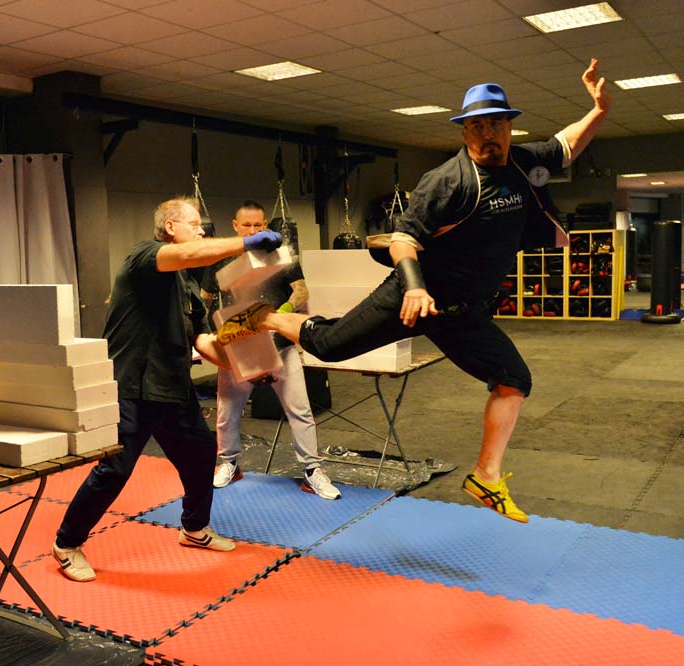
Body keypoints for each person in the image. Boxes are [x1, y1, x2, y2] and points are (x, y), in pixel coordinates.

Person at [217, 58, 612, 524]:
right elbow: (404, 239)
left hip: (463, 311)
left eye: (496, 124)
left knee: (514, 380)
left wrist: (599, 110)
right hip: (415, 296)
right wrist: (415, 287)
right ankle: (261, 316)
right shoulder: (447, 181)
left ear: (509, 127)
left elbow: (567, 144)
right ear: (464, 132)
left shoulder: (524, 163)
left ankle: (486, 477)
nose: (488, 133)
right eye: (477, 126)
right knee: (328, 345)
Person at [52, 197, 283, 582]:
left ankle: (194, 528)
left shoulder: (187, 285)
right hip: (132, 386)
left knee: (201, 454)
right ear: (171, 227)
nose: (202, 230)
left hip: (173, 388)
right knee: (115, 469)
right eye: (194, 224)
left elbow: (202, 341)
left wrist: (248, 367)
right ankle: (66, 543)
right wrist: (246, 243)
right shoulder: (144, 257)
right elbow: (190, 253)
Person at [200, 201, 341, 500]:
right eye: (246, 225)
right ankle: (229, 464)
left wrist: (280, 314)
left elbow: (301, 290)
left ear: (265, 225)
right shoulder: (221, 259)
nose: (253, 230)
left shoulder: (281, 255)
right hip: (238, 348)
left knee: (300, 410)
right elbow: (205, 298)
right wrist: (208, 332)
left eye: (258, 225)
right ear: (235, 225)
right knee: (227, 411)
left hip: (281, 346)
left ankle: (312, 471)